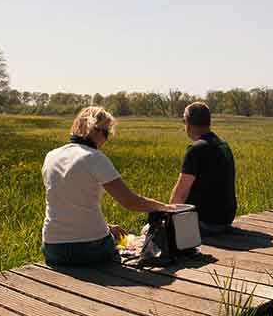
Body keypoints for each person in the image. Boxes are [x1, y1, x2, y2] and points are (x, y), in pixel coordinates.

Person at [41, 106, 174, 265]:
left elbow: (69, 205)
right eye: (106, 133)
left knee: (113, 235)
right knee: (131, 242)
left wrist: (107, 226)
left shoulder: (51, 156)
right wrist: (163, 207)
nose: (105, 139)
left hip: (52, 248)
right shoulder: (94, 157)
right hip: (90, 249)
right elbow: (130, 201)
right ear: (95, 130)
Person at [165, 101, 237, 236]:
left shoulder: (196, 149)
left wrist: (167, 220)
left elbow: (180, 194)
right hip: (226, 220)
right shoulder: (223, 145)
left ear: (188, 123)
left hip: (205, 223)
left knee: (148, 229)